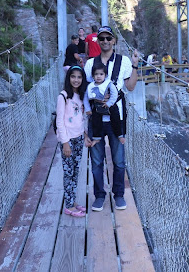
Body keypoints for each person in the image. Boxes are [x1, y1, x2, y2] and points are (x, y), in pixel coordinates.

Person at [84, 25, 139, 211]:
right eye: (102, 39)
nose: (105, 41)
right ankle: (99, 196)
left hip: (118, 117)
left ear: (114, 41)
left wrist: (135, 65)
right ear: (97, 41)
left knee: (119, 160)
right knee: (97, 161)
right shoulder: (91, 64)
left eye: (109, 38)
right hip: (97, 118)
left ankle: (119, 195)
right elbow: (87, 90)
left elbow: (130, 87)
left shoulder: (123, 61)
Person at [55, 65, 88, 217]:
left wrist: (85, 135)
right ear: (68, 78)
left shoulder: (81, 96)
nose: (76, 80)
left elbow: (81, 118)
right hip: (68, 140)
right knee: (68, 173)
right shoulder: (63, 96)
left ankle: (72, 201)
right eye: (73, 76)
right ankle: (68, 206)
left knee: (75, 172)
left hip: (79, 138)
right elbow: (59, 122)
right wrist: (65, 143)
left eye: (79, 77)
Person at [83, 61, 120, 144]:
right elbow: (85, 98)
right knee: (95, 119)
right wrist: (88, 109)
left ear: (105, 75)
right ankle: (97, 137)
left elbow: (114, 94)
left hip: (108, 105)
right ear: (92, 76)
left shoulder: (109, 84)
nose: (98, 76)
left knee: (115, 116)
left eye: (101, 74)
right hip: (97, 106)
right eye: (96, 74)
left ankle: (119, 134)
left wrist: (109, 103)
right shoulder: (90, 86)